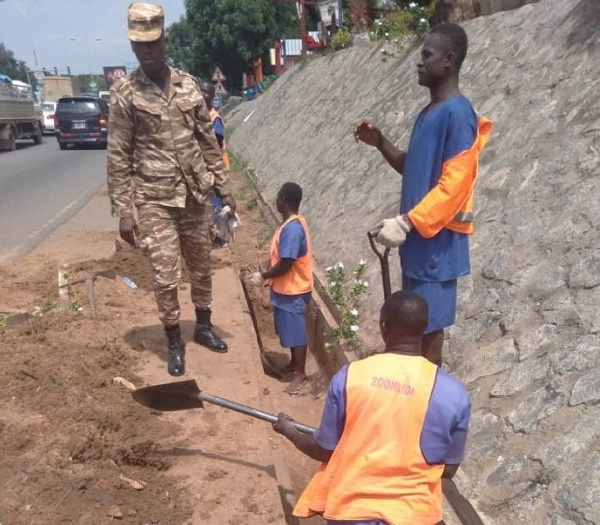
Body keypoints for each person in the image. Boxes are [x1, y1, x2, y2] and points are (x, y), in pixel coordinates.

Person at [107, 2, 236, 377]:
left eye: (153, 44)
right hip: (153, 198)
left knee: (201, 266)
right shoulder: (125, 94)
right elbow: (118, 155)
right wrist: (126, 210)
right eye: (139, 46)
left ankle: (205, 326)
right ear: (133, 48)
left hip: (195, 193)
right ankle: (173, 339)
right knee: (164, 275)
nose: (147, 51)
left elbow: (207, 139)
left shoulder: (188, 85)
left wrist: (223, 187)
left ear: (165, 42)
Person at [354, 23, 493, 367]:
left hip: (437, 248)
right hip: (418, 245)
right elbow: (412, 167)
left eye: (426, 55)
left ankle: (427, 407)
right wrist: (381, 142)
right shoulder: (427, 114)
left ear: (448, 61)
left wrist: (406, 221)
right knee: (414, 328)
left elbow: (454, 186)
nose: (419, 62)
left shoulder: (458, 114)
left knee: (429, 332)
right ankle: (416, 398)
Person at [273, 290, 471, 524]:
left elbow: (325, 449)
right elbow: (448, 469)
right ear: (425, 328)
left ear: (383, 326)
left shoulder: (351, 376)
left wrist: (290, 431)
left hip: (351, 510)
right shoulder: (453, 393)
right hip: (413, 514)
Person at [250, 182, 313, 395]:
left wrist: (264, 276)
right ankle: (295, 364)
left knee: (295, 333)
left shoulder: (293, 229)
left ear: (283, 200)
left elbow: (286, 263)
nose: (275, 201)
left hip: (293, 289)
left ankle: (301, 374)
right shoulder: (288, 225)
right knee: (287, 330)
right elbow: (280, 255)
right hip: (286, 288)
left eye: (277, 197)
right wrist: (268, 263)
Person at [199, 79, 231, 248]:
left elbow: (215, 146)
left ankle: (220, 237)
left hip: (216, 167)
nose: (203, 95)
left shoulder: (213, 118)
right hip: (205, 168)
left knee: (217, 202)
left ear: (212, 96)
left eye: (206, 93)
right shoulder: (200, 115)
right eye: (201, 92)